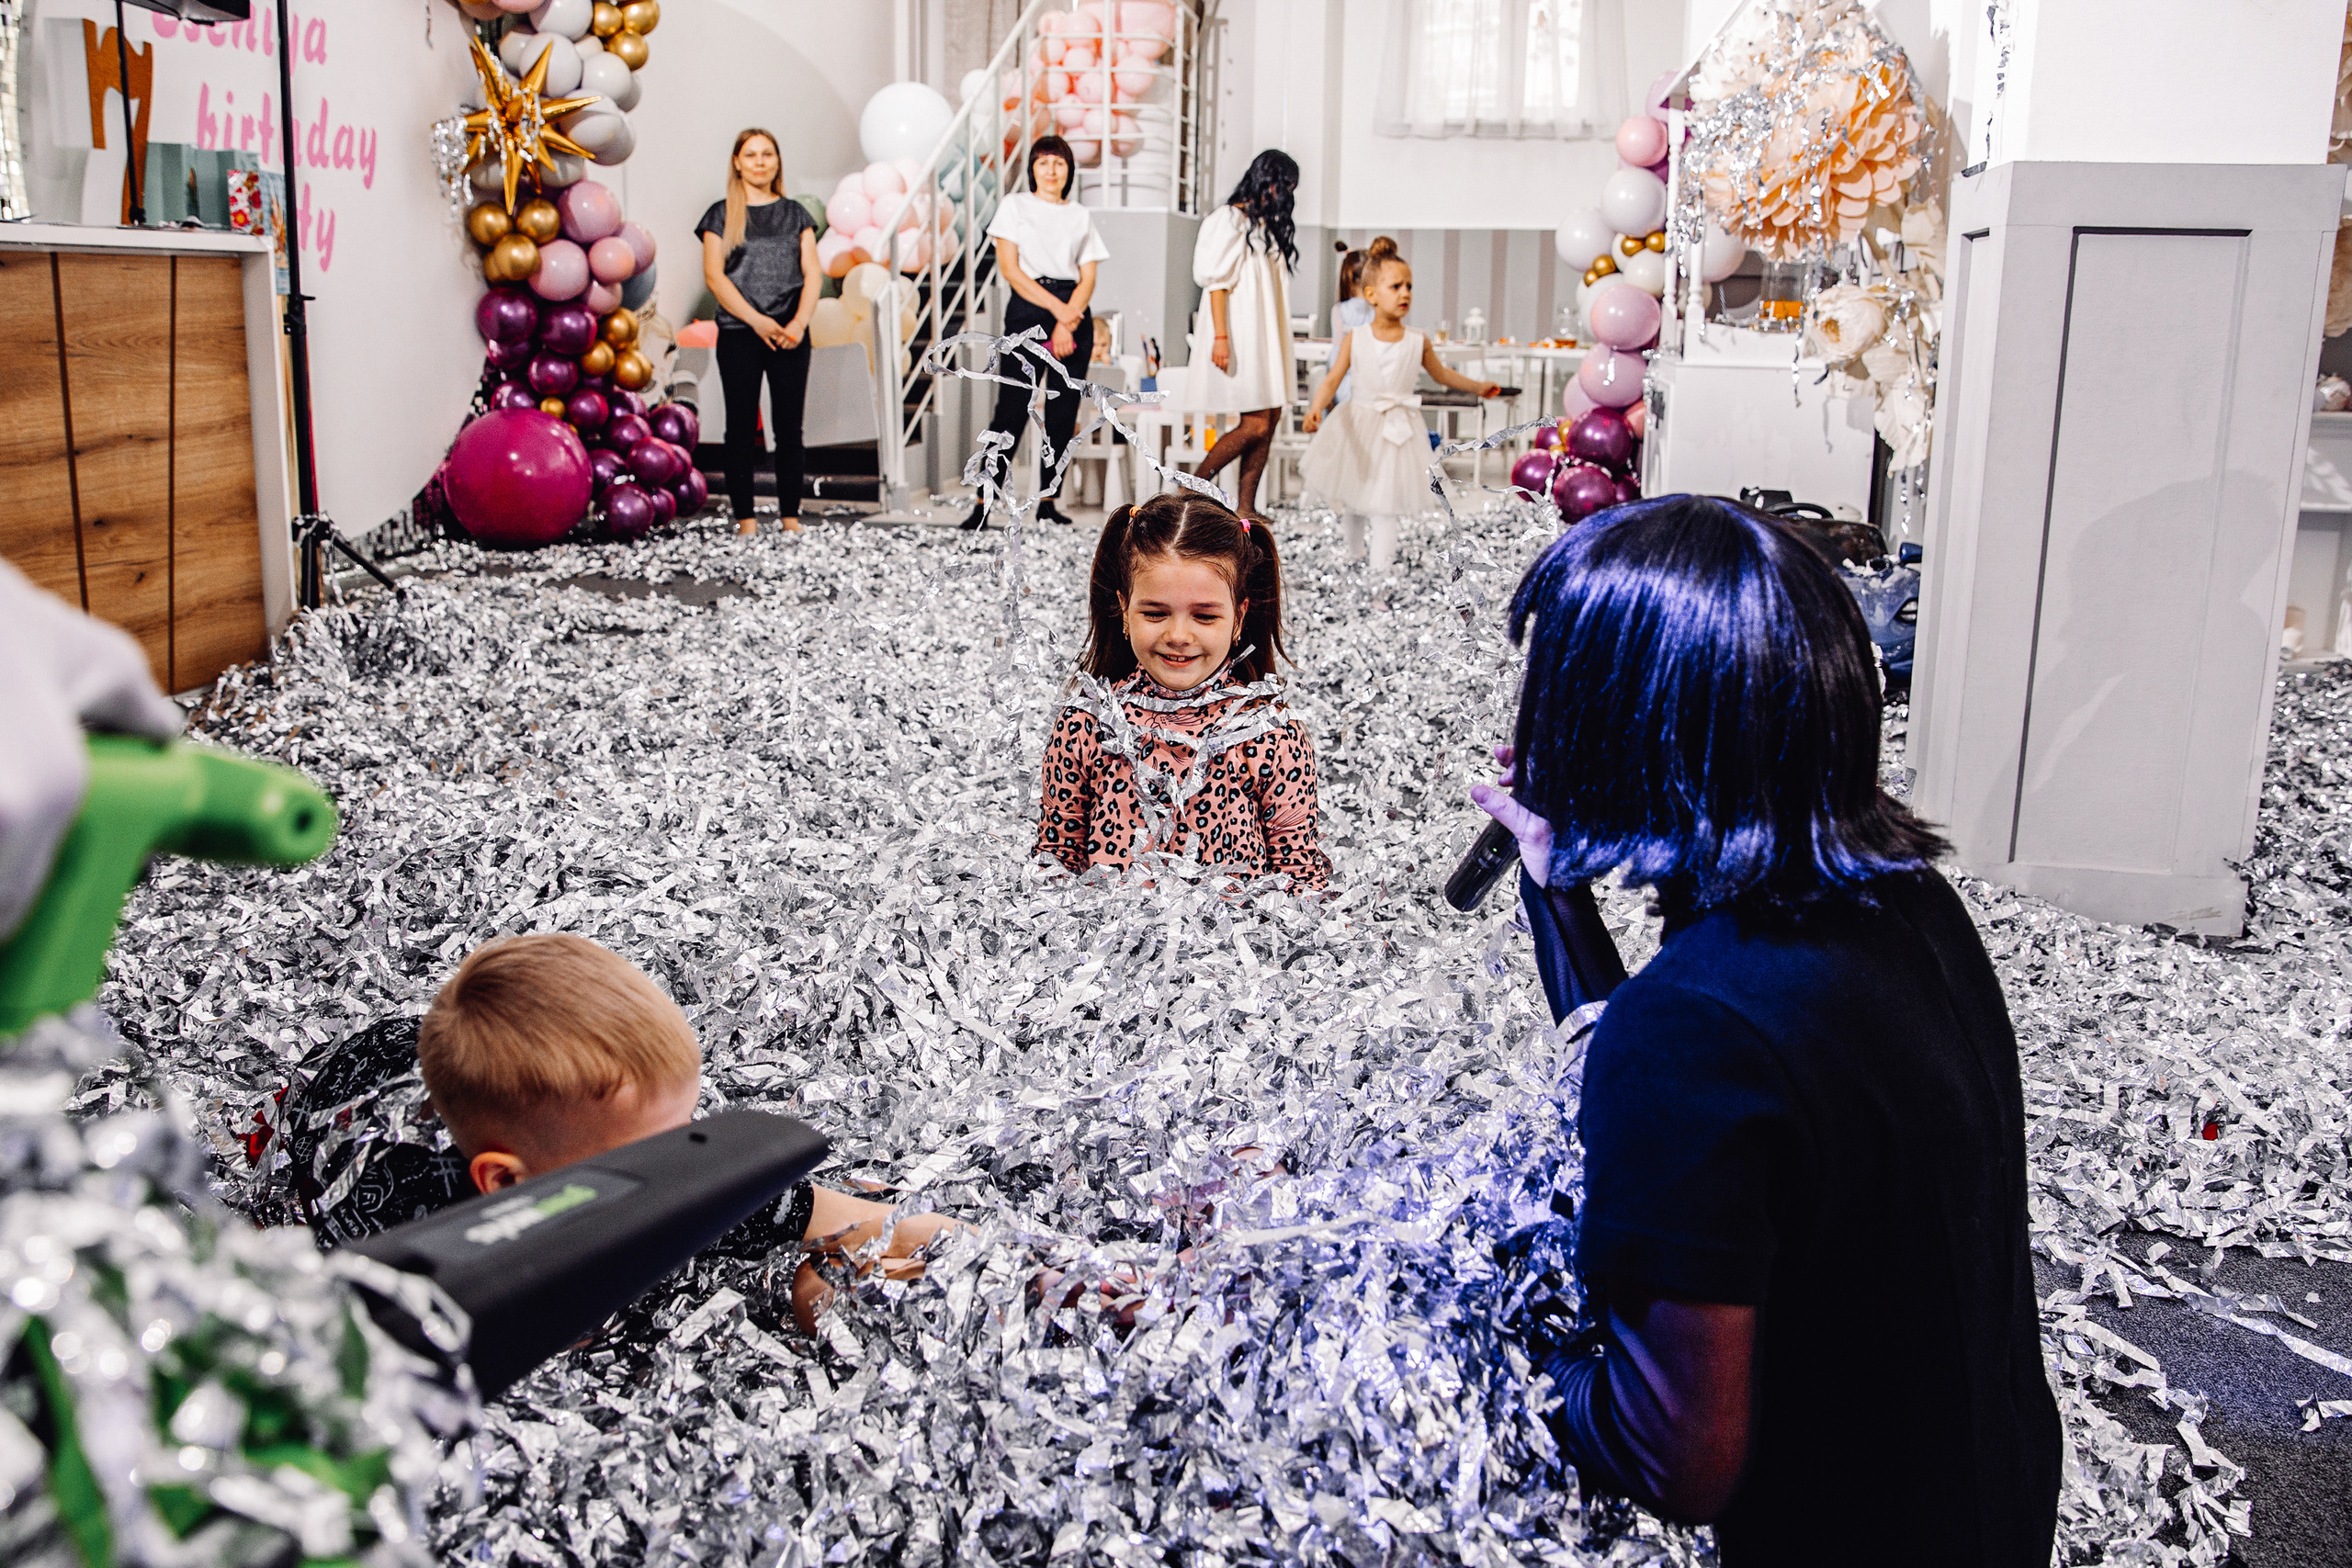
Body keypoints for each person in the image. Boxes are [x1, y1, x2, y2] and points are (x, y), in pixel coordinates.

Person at [1470, 495, 2061, 1566]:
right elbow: (1711, 1131)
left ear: (1613, 720)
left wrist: (1484, 1356)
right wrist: (1559, 901)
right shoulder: (1904, 902)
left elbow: (1675, 1457)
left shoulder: (1694, 1027)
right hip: (1978, 1506)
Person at [416, 932, 953, 1330]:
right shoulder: (417, 1273)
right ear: (511, 1187)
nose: (689, 1156)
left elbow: (867, 1221)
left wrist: (1018, 1270)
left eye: (689, 1125)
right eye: (656, 1148)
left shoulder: (671, 1161)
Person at [1035, 490, 1329, 890]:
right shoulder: (1086, 724)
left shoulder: (1269, 733)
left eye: (1205, 616)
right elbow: (1056, 859)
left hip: (1236, 948)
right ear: (1124, 610)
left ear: (1239, 617)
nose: (1178, 635)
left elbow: (1300, 873)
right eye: (1154, 613)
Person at [1300, 246, 1501, 573]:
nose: (1405, 293)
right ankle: (1353, 558)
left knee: (1384, 507)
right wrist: (1316, 409)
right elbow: (1333, 378)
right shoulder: (1356, 338)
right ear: (1372, 294)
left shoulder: (1418, 340)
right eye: (1395, 286)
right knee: (1355, 498)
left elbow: (1442, 375)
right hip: (1359, 425)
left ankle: (1380, 577)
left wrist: (1478, 387)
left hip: (1399, 431)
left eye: (1409, 286)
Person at [965, 135, 1108, 530]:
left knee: (1063, 414)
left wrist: (1067, 319)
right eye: (1043, 162)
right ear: (1032, 168)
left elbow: (1088, 275)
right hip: (1030, 307)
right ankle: (983, 502)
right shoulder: (1015, 206)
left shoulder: (1080, 215)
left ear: (1068, 171)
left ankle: (1048, 503)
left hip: (1073, 309)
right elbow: (1011, 270)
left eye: (1059, 163)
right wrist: (1058, 312)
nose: (1050, 170)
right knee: (1010, 411)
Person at [697, 128, 820, 536]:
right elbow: (715, 278)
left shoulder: (797, 215)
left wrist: (798, 322)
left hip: (790, 334)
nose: (760, 161)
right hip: (740, 333)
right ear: (737, 162)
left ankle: (790, 519)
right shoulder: (719, 214)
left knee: (789, 430)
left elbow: (812, 273)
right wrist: (757, 320)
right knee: (739, 429)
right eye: (751, 155)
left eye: (768, 154)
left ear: (778, 162)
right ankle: (746, 520)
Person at [1185, 150, 1300, 525]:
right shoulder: (1228, 220)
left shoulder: (1263, 227)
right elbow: (1216, 284)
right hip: (1240, 332)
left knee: (1272, 415)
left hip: (1264, 335)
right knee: (1255, 423)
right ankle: (1191, 490)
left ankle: (1246, 506)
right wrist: (1221, 336)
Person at [1325, 237, 1384, 409]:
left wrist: (1329, 388)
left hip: (1345, 384)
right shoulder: (1379, 309)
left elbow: (1336, 353)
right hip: (1375, 384)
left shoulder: (1339, 311)